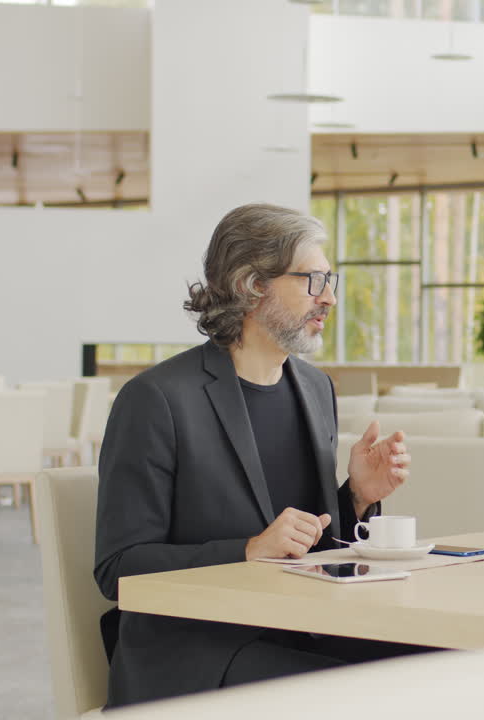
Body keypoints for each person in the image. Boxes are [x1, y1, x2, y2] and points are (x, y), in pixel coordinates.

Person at [94, 203, 419, 708]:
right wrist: (247, 549)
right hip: (195, 652)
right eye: (312, 280)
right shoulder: (157, 399)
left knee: (451, 660)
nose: (329, 297)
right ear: (251, 285)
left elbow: (305, 547)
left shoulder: (315, 389)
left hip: (300, 624)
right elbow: (119, 568)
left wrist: (356, 496)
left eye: (330, 279)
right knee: (365, 694)